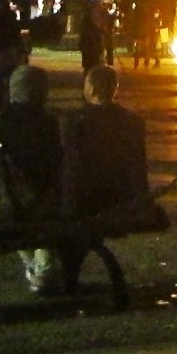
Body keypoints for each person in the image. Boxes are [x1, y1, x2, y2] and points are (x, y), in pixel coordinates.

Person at [58, 63, 153, 290]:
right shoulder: (132, 121)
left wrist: (68, 207)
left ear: (90, 89)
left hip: (88, 201)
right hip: (120, 198)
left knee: (66, 232)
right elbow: (137, 166)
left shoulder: (77, 121)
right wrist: (141, 201)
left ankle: (65, 274)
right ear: (114, 89)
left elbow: (74, 170)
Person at [0, 63, 64, 292]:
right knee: (47, 215)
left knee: (5, 212)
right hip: (41, 203)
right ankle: (42, 271)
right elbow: (56, 164)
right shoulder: (49, 124)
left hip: (6, 202)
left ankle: (36, 268)